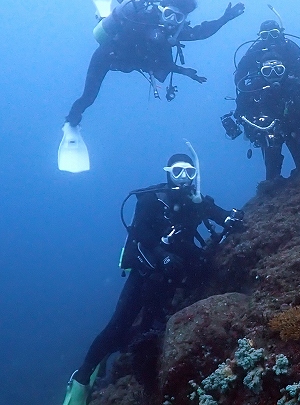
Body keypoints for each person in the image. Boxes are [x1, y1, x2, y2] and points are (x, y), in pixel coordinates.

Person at [61, 153, 244, 405]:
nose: (184, 178)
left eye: (189, 172)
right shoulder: (152, 201)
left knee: (150, 328)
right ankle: (82, 378)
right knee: (118, 326)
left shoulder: (196, 201)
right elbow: (139, 233)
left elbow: (217, 213)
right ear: (168, 174)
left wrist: (230, 217)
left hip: (171, 277)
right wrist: (161, 254)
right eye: (178, 172)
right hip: (145, 273)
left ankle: (131, 357)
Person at [66, 0, 244, 127]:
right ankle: (72, 119)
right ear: (160, 10)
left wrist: (224, 19)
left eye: (178, 18)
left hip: (132, 63)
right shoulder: (141, 20)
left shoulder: (174, 32)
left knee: (89, 97)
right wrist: (180, 69)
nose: (171, 21)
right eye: (169, 14)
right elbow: (150, 60)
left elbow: (200, 33)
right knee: (88, 97)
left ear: (182, 20)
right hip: (107, 56)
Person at [222, 20, 300, 184]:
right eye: (265, 35)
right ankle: (272, 186)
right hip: (269, 127)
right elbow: (241, 85)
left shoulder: (294, 80)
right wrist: (251, 128)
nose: (270, 38)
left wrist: (297, 87)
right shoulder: (255, 84)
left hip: (294, 122)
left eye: (278, 70)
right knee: (271, 164)